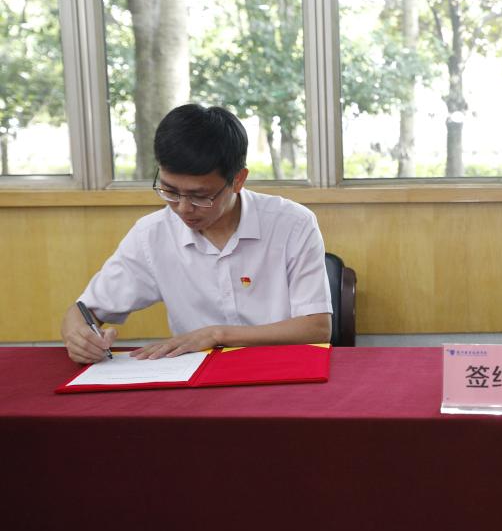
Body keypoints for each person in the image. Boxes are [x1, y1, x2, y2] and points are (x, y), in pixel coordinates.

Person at [61, 104, 332, 363]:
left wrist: (216, 335)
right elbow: (84, 311)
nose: (183, 208)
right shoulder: (152, 235)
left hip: (280, 370)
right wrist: (80, 337)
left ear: (238, 180)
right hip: (195, 380)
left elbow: (317, 328)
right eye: (169, 191)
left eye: (200, 196)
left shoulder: (292, 224)